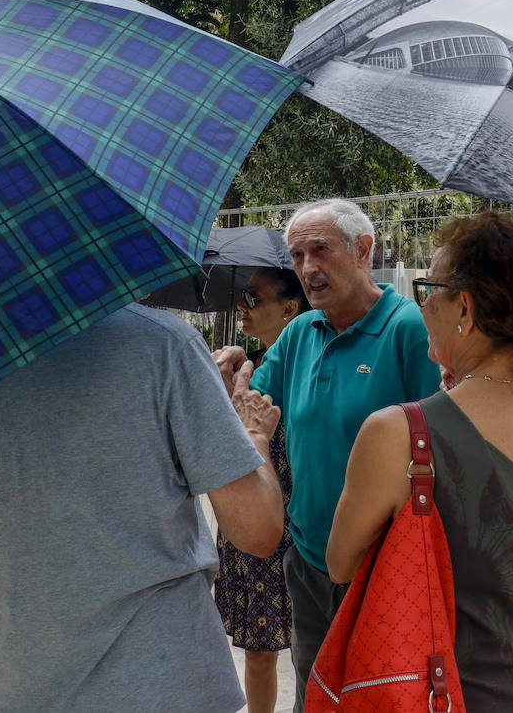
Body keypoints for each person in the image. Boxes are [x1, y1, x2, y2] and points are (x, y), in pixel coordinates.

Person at [0, 304, 284, 712]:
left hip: (29, 685)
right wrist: (251, 432)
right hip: (165, 682)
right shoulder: (165, 344)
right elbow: (258, 530)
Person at [324, 212, 513, 709]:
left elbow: (340, 563)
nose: (423, 304)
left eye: (428, 288)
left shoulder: (400, 434)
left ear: (465, 310)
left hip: (445, 695)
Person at [215, 198, 441, 711]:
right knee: (315, 693)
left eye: (320, 251)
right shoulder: (299, 333)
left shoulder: (408, 329)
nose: (308, 269)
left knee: (379, 695)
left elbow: (443, 448)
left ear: (363, 250)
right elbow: (255, 408)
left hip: (383, 566)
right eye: (297, 256)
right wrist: (233, 371)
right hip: (309, 559)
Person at [215, 267, 309, 713]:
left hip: (302, 519)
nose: (242, 306)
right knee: (258, 650)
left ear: (289, 307)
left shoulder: (311, 365)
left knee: (309, 643)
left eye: (254, 298)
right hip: (255, 513)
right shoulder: (248, 367)